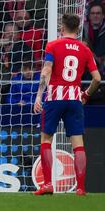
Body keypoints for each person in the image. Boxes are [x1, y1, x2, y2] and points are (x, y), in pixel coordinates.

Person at [33, 13, 101, 196]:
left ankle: (47, 184)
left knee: (46, 139)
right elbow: (97, 78)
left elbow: (47, 70)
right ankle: (80, 188)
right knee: (78, 144)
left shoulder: (53, 45)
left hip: (55, 99)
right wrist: (86, 94)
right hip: (74, 99)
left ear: (62, 28)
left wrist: (39, 96)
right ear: (78, 29)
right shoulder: (85, 49)